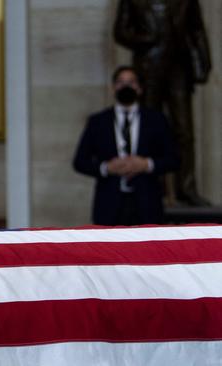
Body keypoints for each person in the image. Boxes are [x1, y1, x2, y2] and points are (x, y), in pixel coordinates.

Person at [114, 0, 212, 206]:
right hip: (149, 67)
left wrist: (203, 63)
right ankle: (154, 187)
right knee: (149, 130)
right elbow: (121, 31)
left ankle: (186, 188)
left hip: (179, 67)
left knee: (184, 130)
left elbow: (197, 30)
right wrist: (145, 39)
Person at [73, 66, 179, 226]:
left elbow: (174, 159)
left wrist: (146, 164)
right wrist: (106, 168)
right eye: (121, 82)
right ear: (113, 88)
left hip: (147, 205)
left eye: (131, 82)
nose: (126, 86)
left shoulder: (156, 120)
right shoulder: (98, 121)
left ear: (140, 88)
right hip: (108, 204)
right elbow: (80, 161)